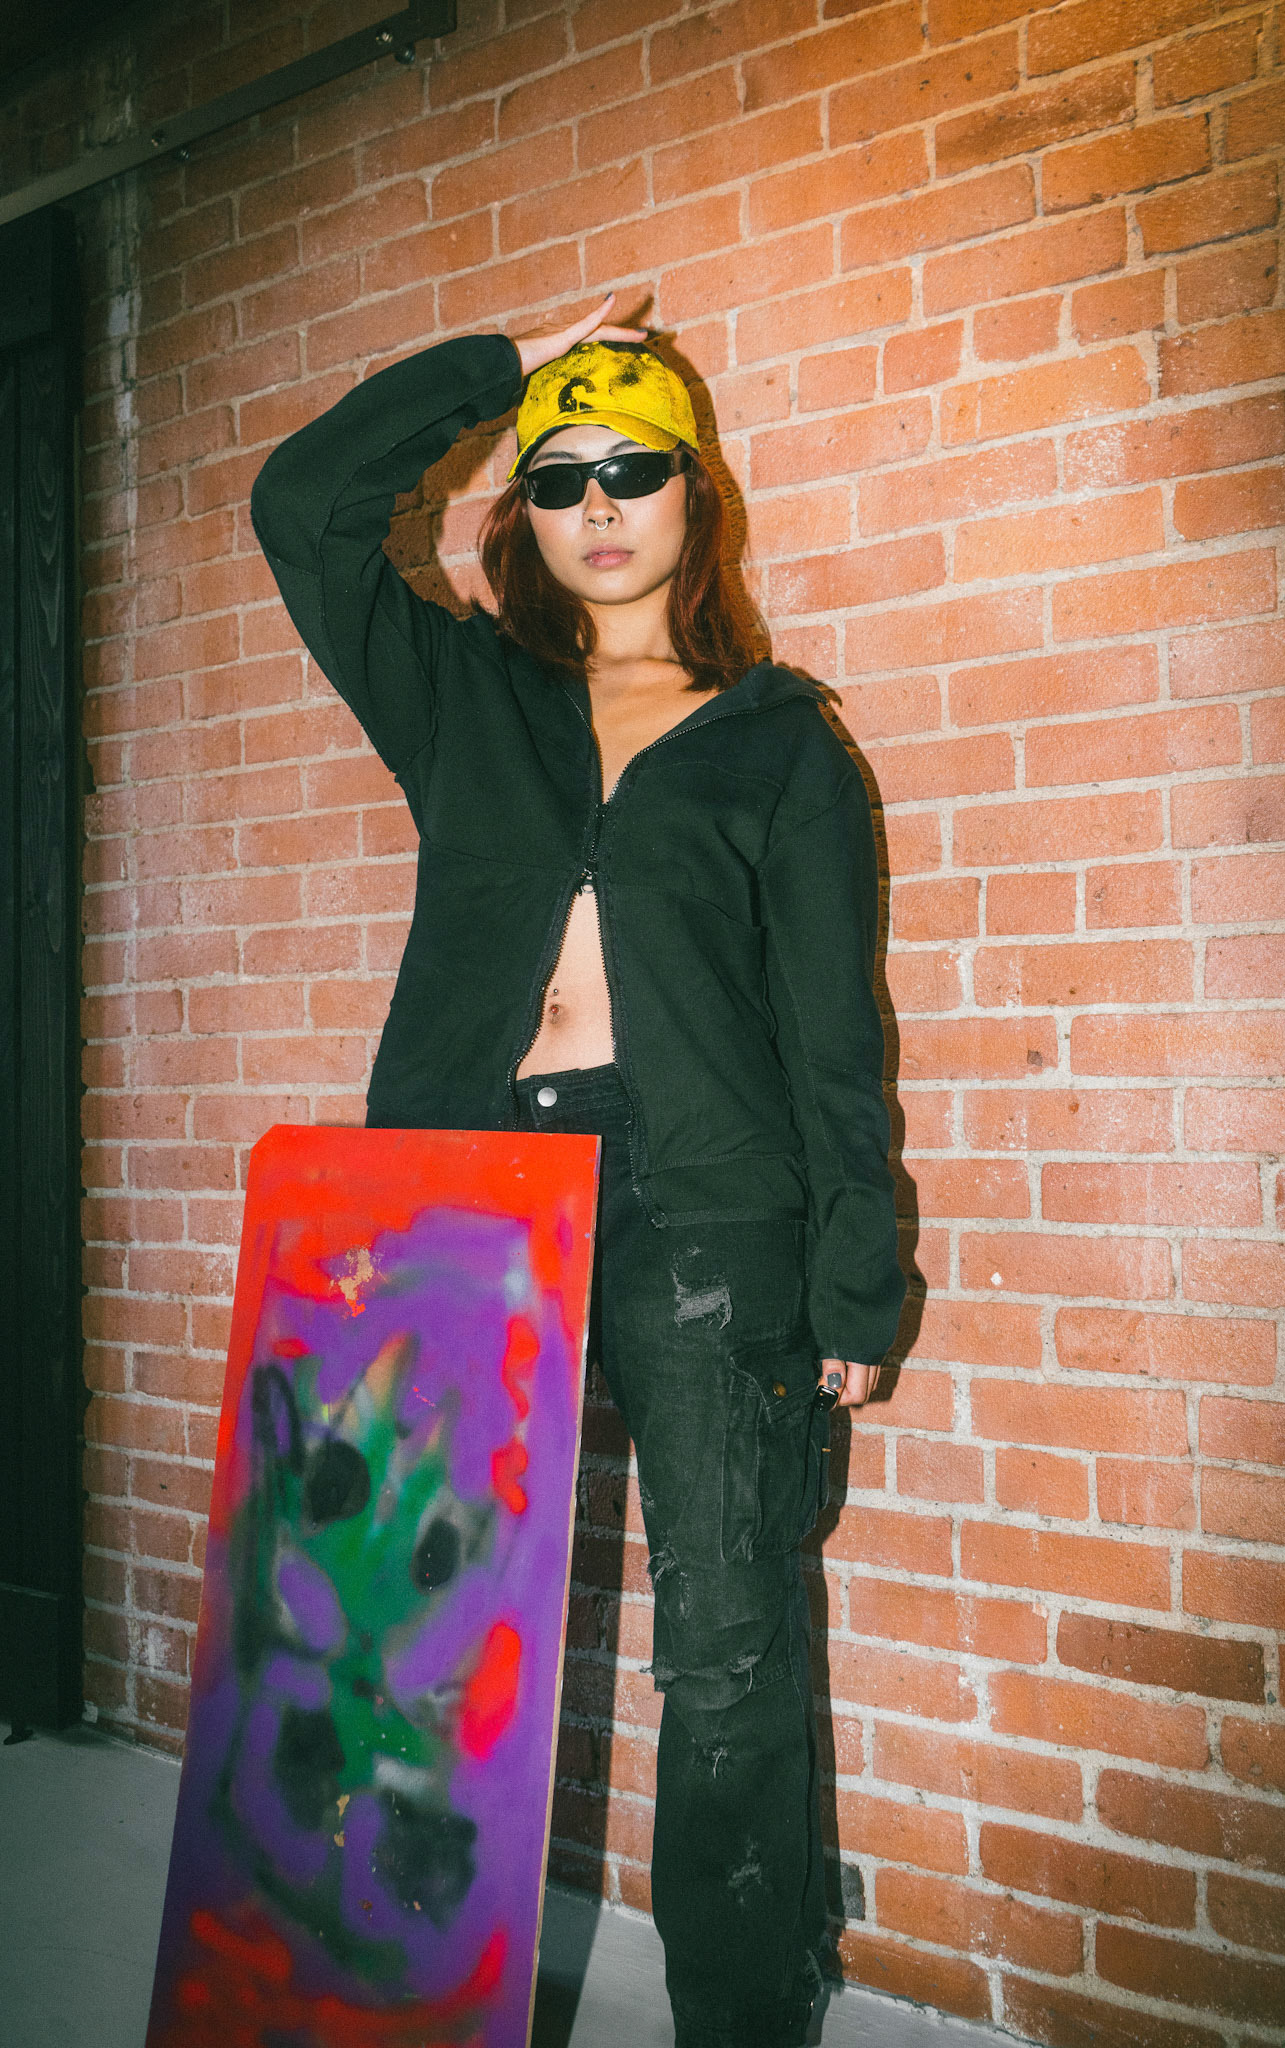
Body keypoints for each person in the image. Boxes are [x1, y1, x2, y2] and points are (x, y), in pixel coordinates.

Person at [250, 291, 906, 2048]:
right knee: (402, 1622)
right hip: (464, 1196)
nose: (599, 504)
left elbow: (831, 1037)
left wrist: (855, 1277)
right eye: (559, 477)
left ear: (697, 494)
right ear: (524, 512)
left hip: (705, 1213)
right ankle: (375, 2001)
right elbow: (300, 506)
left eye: (634, 469)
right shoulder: (465, 693)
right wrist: (511, 370)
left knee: (729, 1638)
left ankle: (740, 2019)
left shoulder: (780, 744)